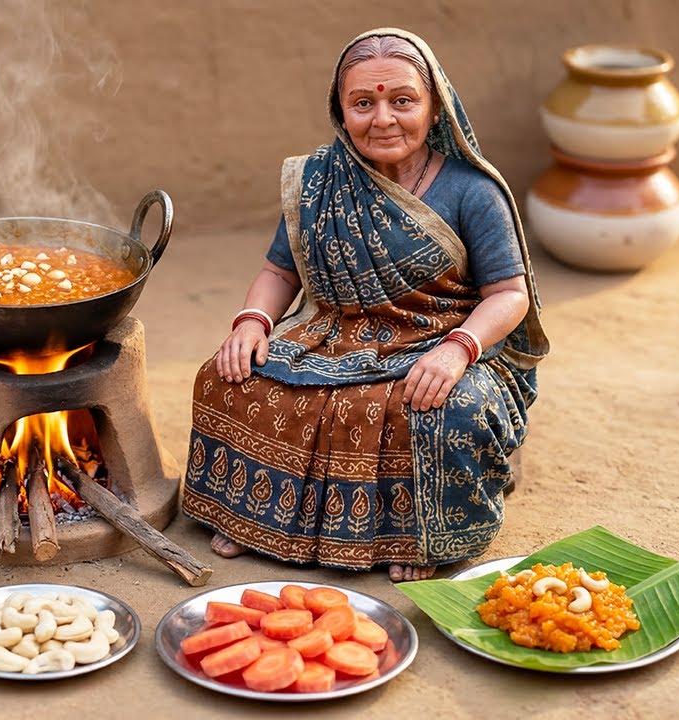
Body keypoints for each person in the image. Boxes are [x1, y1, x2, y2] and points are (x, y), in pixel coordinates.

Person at [181, 28, 549, 582]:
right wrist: (253, 322)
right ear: (341, 110)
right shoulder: (318, 181)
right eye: (363, 103)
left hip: (444, 338)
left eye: (402, 100)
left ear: (434, 106)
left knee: (447, 409)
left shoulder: (474, 191)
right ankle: (251, 515)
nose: (383, 119)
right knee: (226, 375)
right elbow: (279, 271)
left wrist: (458, 351)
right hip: (335, 336)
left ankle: (421, 538)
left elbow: (510, 294)